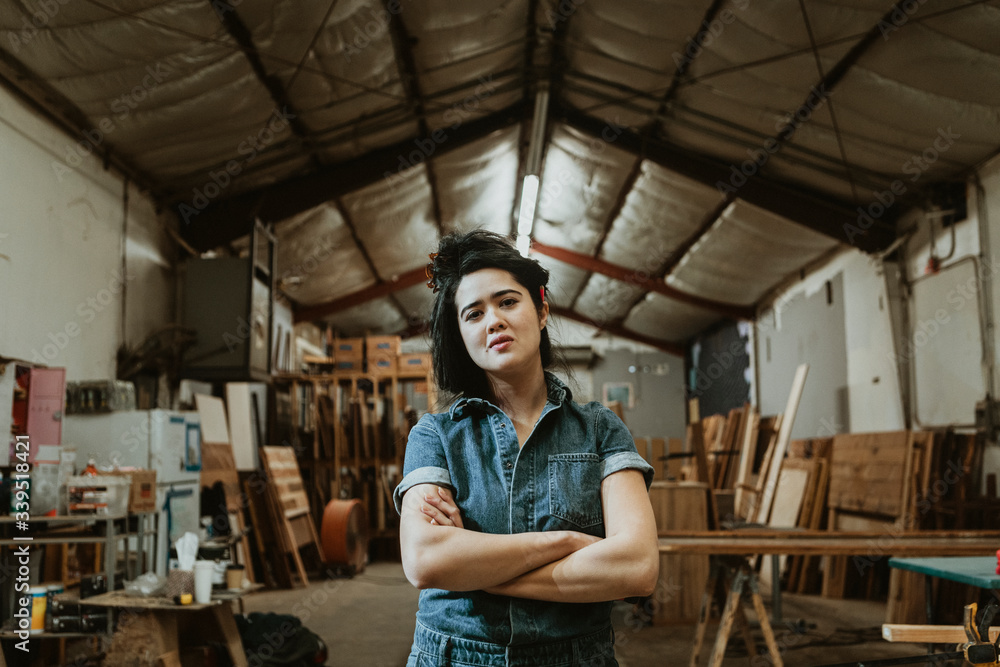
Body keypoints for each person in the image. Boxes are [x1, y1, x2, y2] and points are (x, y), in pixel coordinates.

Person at [393, 230, 659, 667]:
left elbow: (636, 569)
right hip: (455, 656)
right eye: (473, 313)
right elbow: (425, 560)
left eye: (507, 302)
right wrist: (571, 542)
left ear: (541, 311)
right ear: (460, 334)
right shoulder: (435, 436)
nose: (492, 320)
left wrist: (478, 571)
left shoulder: (600, 430)